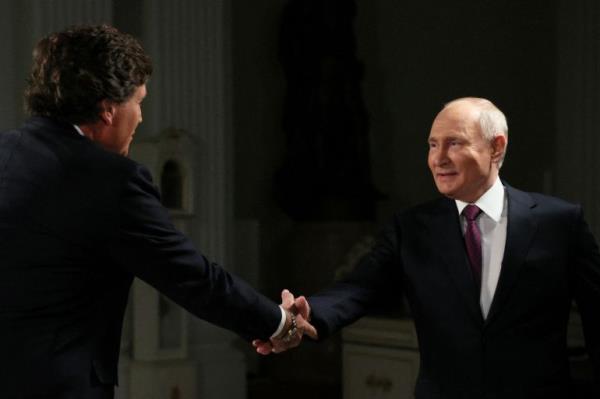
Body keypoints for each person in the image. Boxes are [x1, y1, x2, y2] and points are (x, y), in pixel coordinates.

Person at [0, 24, 308, 399]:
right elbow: (192, 277)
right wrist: (279, 323)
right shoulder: (111, 180)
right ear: (108, 110)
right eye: (138, 101)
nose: (141, 117)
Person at [255, 97, 600, 398]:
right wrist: (310, 313)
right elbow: (359, 289)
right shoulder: (412, 229)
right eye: (433, 145)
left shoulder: (560, 223)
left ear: (497, 147)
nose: (439, 158)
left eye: (454, 143)